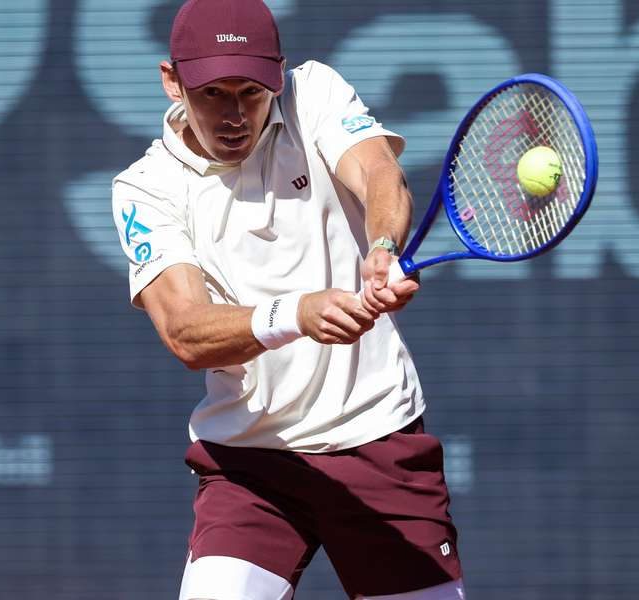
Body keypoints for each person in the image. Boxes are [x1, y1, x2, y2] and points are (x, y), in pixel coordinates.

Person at [112, 1, 465, 598]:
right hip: (251, 466)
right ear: (172, 80)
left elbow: (381, 174)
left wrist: (381, 245)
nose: (234, 115)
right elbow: (184, 331)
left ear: (278, 75)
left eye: (251, 92)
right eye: (213, 93)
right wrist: (296, 313)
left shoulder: (315, 93)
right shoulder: (144, 189)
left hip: (379, 437)